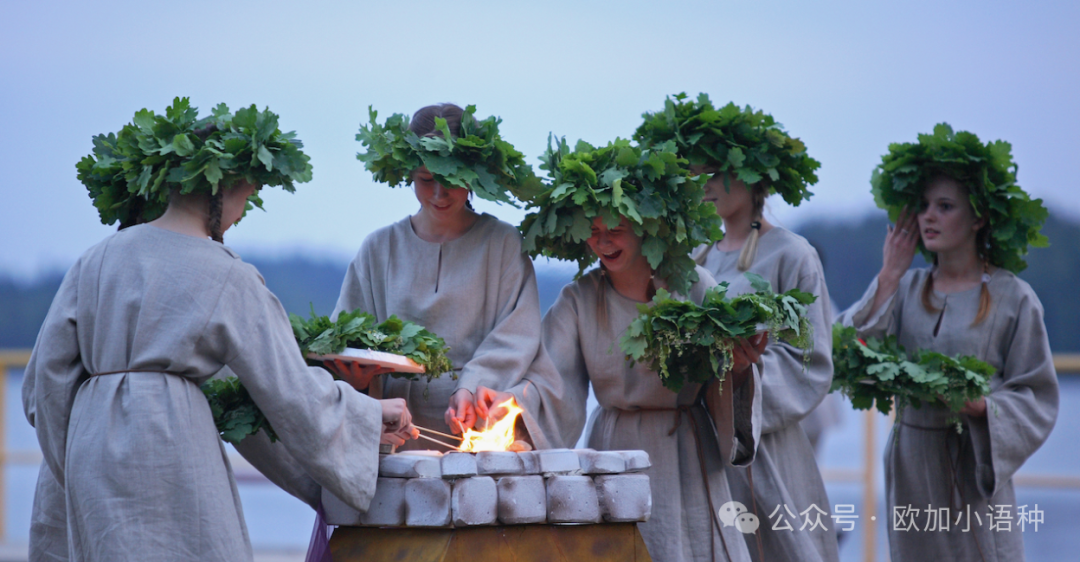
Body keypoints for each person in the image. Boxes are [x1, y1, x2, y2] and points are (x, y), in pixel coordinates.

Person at [24, 99, 414, 562]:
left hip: (86, 452)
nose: (242, 212)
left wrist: (71, 461)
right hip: (169, 448)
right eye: (246, 197)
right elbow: (290, 391)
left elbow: (42, 385)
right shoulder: (228, 274)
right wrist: (368, 415)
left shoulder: (97, 257)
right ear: (219, 189)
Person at [481, 138, 764, 562]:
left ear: (647, 226)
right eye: (593, 231)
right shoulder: (578, 300)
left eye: (615, 230)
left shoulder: (693, 287)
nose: (603, 242)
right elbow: (549, 381)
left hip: (686, 452)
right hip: (612, 451)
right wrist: (508, 406)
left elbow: (724, 376)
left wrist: (739, 369)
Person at [839, 124, 1058, 561]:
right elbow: (849, 351)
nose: (929, 217)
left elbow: (1037, 394)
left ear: (978, 217)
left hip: (974, 459)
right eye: (922, 206)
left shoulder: (1013, 297)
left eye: (944, 206)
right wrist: (889, 274)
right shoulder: (905, 287)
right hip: (912, 461)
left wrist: (983, 408)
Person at [636, 93, 838, 562]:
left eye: (713, 172)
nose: (702, 184)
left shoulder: (793, 254)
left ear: (753, 175)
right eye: (694, 173)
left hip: (768, 449)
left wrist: (743, 375)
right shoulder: (695, 257)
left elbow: (811, 362)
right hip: (703, 450)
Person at [334, 103, 544, 443]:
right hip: (395, 432)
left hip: (477, 427)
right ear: (408, 173)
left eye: (451, 179)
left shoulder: (502, 243)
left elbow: (516, 336)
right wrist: (355, 380)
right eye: (426, 179)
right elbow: (346, 341)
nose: (438, 193)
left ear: (474, 174)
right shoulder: (379, 248)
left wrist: (471, 385)